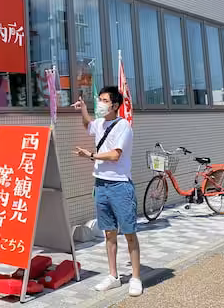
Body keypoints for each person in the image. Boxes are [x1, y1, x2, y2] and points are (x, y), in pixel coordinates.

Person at [73, 86, 142, 297]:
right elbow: (88, 125)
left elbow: (115, 155)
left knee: (129, 233)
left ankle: (136, 278)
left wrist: (91, 156)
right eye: (99, 100)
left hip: (120, 185)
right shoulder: (100, 123)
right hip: (101, 184)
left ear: (115, 105)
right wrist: (83, 109)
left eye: (104, 100)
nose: (100, 104)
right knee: (109, 233)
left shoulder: (123, 127)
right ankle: (113, 276)